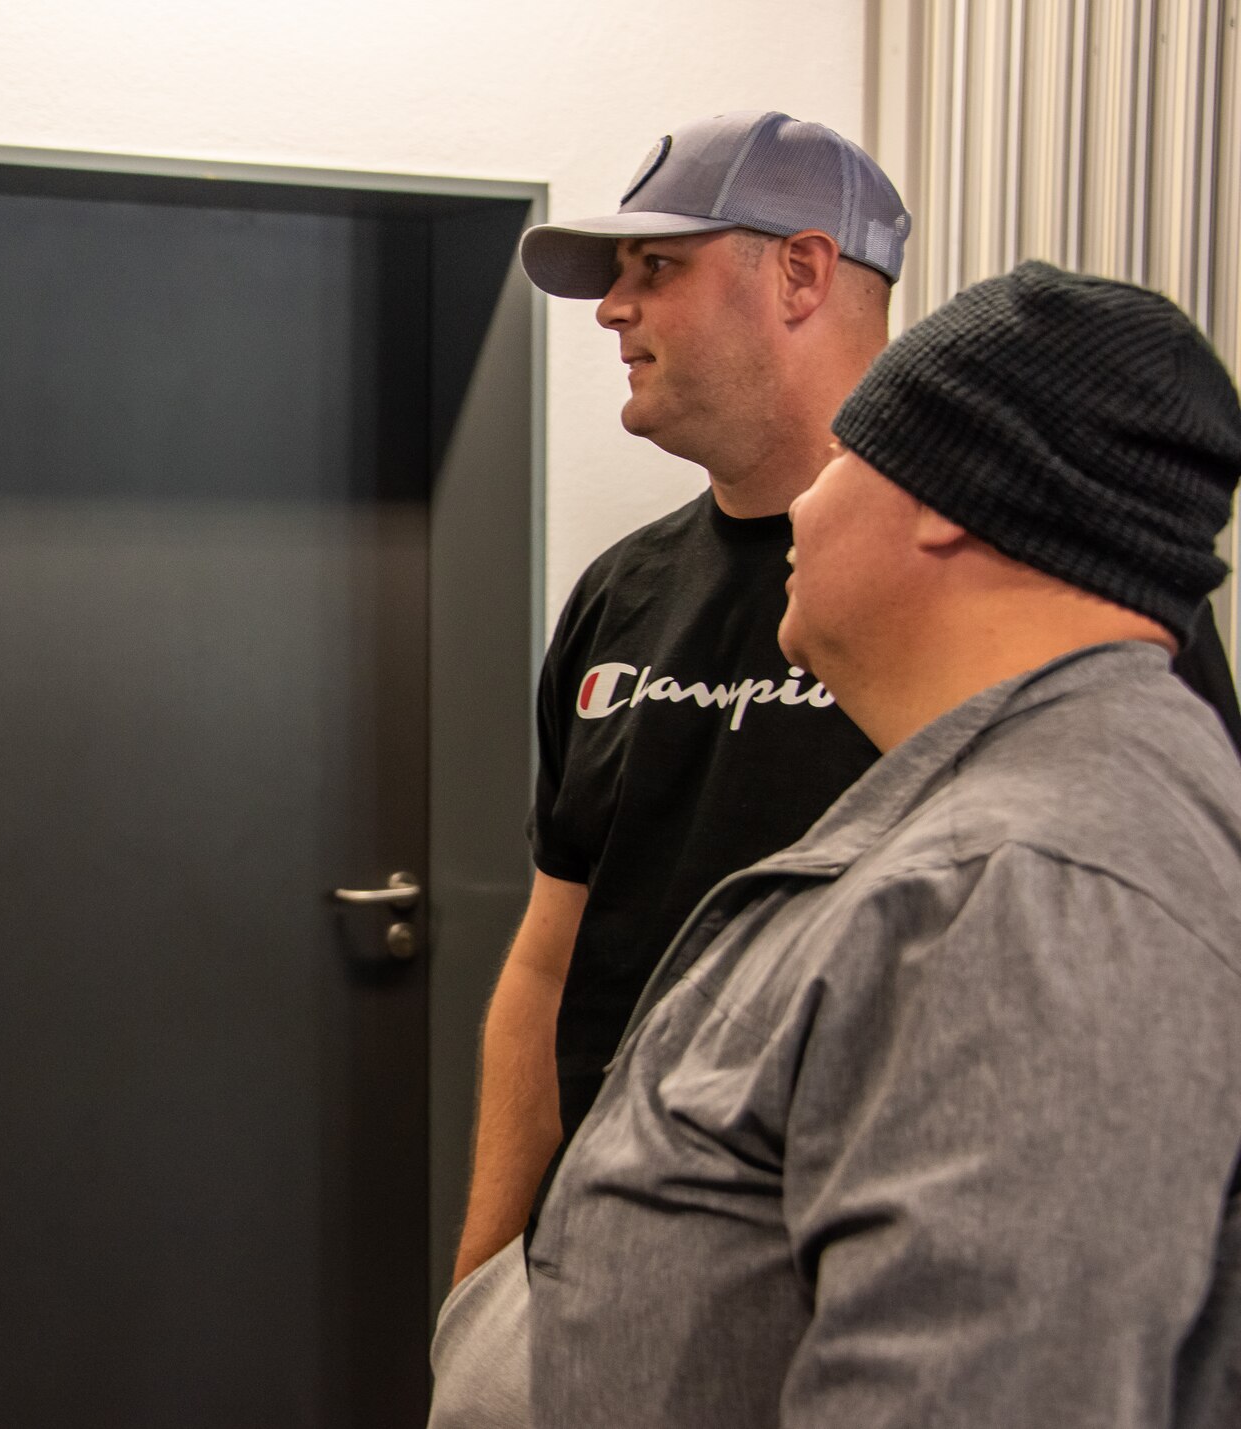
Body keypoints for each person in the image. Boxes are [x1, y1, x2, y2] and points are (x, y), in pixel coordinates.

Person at [448, 110, 1241, 1295]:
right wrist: (483, 1283)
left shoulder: (1025, 598)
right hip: (612, 1280)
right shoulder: (621, 595)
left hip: (892, 1273)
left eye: (654, 268)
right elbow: (549, 961)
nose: (612, 310)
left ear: (803, 271)